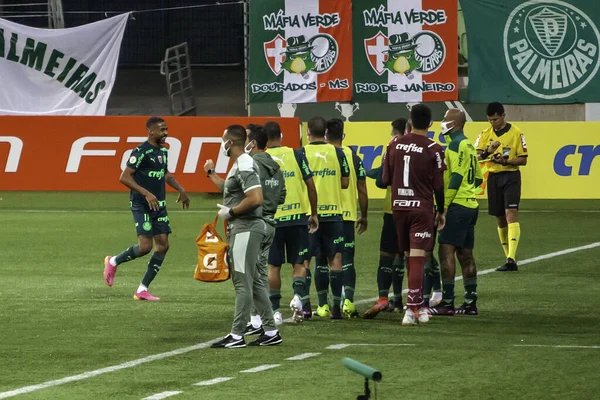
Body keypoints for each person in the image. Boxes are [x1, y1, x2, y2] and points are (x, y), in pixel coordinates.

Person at [204, 125, 281, 348]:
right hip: (246, 227)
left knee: (242, 281)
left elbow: (256, 198)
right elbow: (238, 192)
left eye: (223, 140)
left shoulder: (245, 163)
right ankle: (270, 330)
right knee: (255, 281)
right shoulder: (241, 163)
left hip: (246, 227)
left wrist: (232, 211)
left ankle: (237, 335)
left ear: (230, 142)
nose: (222, 144)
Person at [103, 117, 190, 301]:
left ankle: (142, 289)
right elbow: (124, 177)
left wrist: (180, 189)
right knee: (145, 247)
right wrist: (146, 194)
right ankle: (113, 261)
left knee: (163, 246)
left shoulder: (163, 152)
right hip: (142, 204)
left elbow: (165, 173)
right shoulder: (140, 151)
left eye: (166, 129)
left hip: (159, 205)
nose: (165, 133)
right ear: (150, 131)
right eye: (162, 130)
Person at [382, 104, 446, 326]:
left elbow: (384, 180)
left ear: (410, 121)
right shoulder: (434, 148)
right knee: (418, 256)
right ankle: (411, 309)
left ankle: (417, 307)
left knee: (409, 256)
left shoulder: (393, 145)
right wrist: (442, 209)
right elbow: (438, 185)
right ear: (430, 123)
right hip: (421, 207)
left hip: (398, 207)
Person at [260, 121, 319, 324]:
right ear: (282, 135)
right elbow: (311, 185)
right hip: (297, 218)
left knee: (273, 266)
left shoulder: (261, 159)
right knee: (300, 262)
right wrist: (314, 213)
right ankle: (297, 297)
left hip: (272, 220)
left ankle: (275, 311)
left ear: (265, 139)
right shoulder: (297, 154)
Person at [429, 109, 482, 316]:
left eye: (444, 119)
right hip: (471, 205)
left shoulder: (455, 145)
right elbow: (477, 178)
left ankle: (448, 303)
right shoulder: (469, 145)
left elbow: (457, 177)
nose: (441, 122)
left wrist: (443, 207)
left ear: (454, 123)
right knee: (466, 254)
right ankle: (470, 302)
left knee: (445, 252)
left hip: (457, 207)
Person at [240, 124, 288, 334]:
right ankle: (261, 322)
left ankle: (258, 321)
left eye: (246, 139)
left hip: (252, 223)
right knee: (259, 273)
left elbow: (237, 192)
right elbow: (283, 195)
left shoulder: (250, 164)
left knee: (249, 274)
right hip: (270, 223)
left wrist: (212, 173)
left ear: (253, 143)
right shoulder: (275, 166)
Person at [302, 116, 350, 319]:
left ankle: (306, 307)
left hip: (309, 214)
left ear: (308, 132)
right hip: (334, 214)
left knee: (304, 260)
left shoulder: (301, 153)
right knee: (335, 259)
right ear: (326, 133)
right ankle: (337, 309)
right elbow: (345, 183)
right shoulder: (338, 152)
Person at [363, 118, 409, 318]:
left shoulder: (393, 147)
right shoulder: (424, 148)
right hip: (416, 209)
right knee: (408, 255)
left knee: (386, 256)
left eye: (393, 133)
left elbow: (383, 181)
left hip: (393, 209)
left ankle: (383, 299)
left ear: (398, 133)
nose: (391, 136)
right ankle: (404, 301)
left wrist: (367, 173)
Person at [476, 102, 527, 271]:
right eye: (490, 120)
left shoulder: (516, 133)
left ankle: (511, 258)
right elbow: (478, 157)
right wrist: (488, 152)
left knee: (510, 212)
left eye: (495, 119)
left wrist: (506, 161)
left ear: (503, 115)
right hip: (493, 177)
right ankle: (508, 257)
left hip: (511, 175)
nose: (493, 123)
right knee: (499, 217)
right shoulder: (485, 134)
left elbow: (523, 159)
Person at [325, 118, 368, 318]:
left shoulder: (323, 156)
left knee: (326, 258)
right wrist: (364, 214)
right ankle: (348, 301)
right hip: (348, 215)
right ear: (343, 135)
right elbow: (362, 187)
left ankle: (324, 304)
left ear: (326, 135)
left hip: (327, 214)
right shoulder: (353, 156)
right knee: (348, 258)